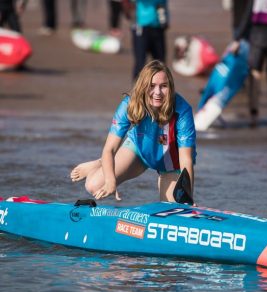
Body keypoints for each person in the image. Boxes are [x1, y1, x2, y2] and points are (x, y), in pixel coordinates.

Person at [70, 60, 196, 202]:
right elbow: (109, 149)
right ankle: (101, 163)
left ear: (171, 87)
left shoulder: (182, 110)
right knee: (94, 185)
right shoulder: (130, 104)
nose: (157, 92)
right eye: (152, 86)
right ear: (143, 86)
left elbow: (186, 159)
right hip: (139, 151)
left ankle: (104, 163)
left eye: (164, 86)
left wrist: (187, 197)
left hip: (171, 163)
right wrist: (111, 182)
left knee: (173, 211)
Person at [123, 0, 169, 80]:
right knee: (140, 64)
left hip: (159, 27)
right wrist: (128, 13)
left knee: (160, 64)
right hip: (141, 28)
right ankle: (137, 90)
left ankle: (159, 89)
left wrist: (166, 20)